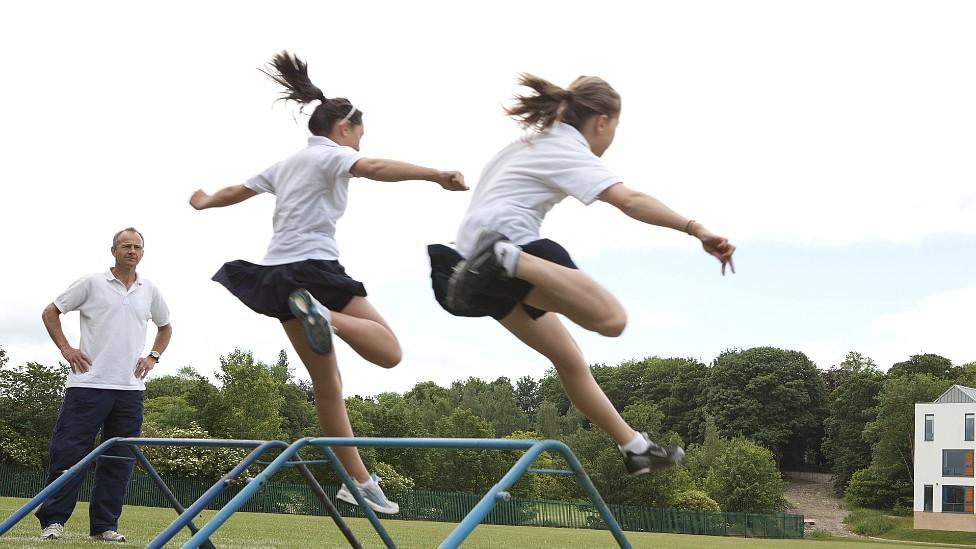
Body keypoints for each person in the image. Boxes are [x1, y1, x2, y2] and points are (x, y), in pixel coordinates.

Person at [189, 51, 467, 515]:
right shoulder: (334, 157)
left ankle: (358, 481)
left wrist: (205, 202)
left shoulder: (286, 164)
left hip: (276, 277)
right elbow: (375, 169)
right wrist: (435, 175)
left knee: (327, 387)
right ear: (345, 129)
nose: (359, 143)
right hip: (314, 269)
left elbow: (237, 191)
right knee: (389, 352)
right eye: (360, 134)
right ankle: (326, 315)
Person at [428, 74, 736, 475]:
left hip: (466, 268)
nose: (611, 141)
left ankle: (635, 447)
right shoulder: (566, 145)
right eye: (616, 129)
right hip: (507, 247)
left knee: (569, 359)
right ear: (602, 121)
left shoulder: (530, 142)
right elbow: (629, 199)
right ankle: (503, 259)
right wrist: (696, 228)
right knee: (611, 319)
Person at [37, 227, 172, 542]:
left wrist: (152, 357)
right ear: (113, 250)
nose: (132, 251)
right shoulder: (91, 283)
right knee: (69, 455)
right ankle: (53, 522)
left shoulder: (149, 289)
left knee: (120, 461)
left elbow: (165, 327)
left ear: (143, 252)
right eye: (126, 246)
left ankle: (104, 526)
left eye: (137, 247)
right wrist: (66, 349)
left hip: (130, 391)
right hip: (87, 385)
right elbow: (50, 312)